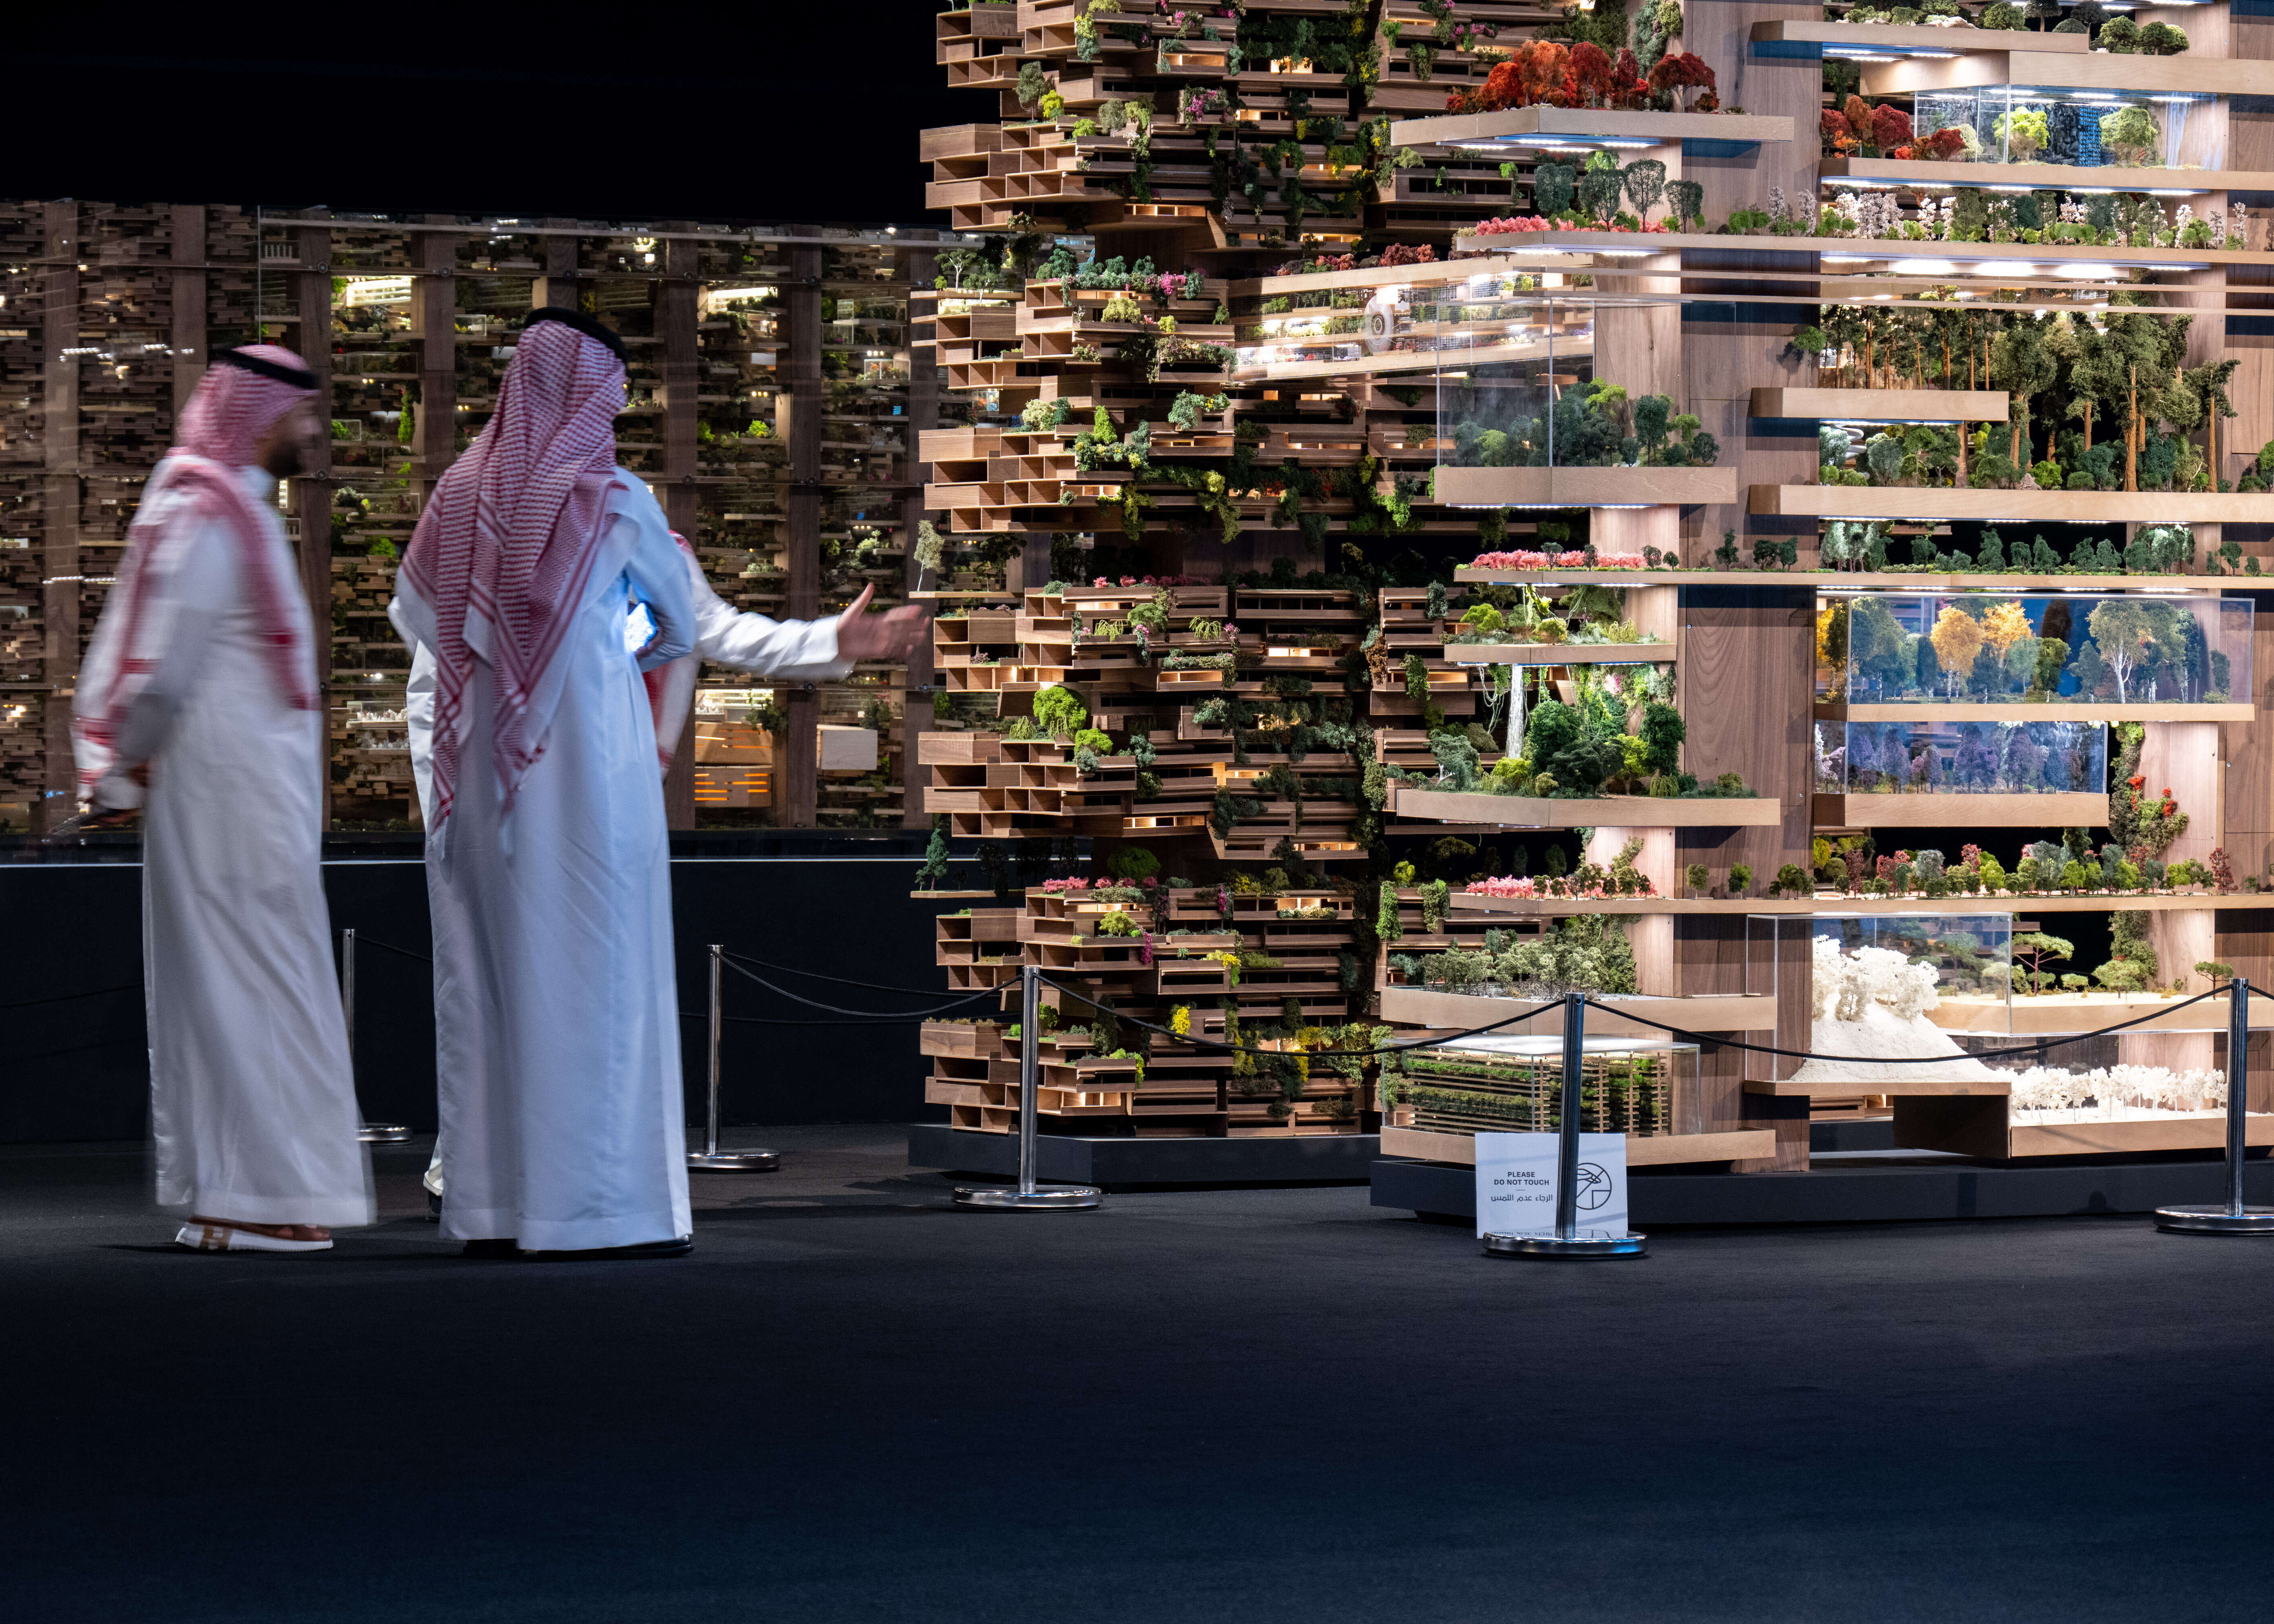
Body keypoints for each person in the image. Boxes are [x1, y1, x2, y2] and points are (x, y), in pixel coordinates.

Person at [392, 306, 925, 1259]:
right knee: (594, 983)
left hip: (475, 791)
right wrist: (602, 645)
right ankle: (594, 1211)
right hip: (588, 789)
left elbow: (427, 639)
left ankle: (494, 1207)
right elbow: (688, 627)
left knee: (487, 985)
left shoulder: (456, 503)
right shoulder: (612, 502)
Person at [403, 542, 927, 1219]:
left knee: (593, 992)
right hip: (502, 811)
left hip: (607, 806)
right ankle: (466, 1171)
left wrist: (835, 638)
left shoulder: (643, 539)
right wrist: (453, 814)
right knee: (495, 988)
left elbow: (714, 627)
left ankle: (573, 1176)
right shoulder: (491, 542)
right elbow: (434, 693)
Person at [73, 346, 373, 1254]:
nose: (312, 430)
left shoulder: (233, 507)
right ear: (256, 414)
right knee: (248, 989)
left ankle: (252, 1196)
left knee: (252, 988)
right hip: (219, 797)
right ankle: (259, 1200)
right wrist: (120, 767)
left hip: (248, 800)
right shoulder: (204, 510)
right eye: (300, 414)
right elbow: (155, 664)